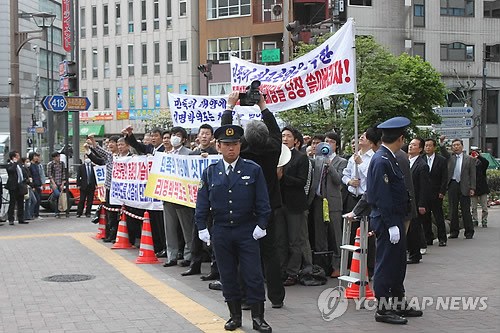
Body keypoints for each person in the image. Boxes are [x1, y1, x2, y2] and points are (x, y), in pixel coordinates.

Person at [195, 124, 272, 332]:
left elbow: (263, 201)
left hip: (247, 229)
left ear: (240, 145)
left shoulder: (252, 169)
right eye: (227, 145)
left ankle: (258, 318)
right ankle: (234, 316)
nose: (231, 149)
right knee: (227, 275)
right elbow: (202, 202)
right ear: (218, 146)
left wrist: (262, 224)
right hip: (221, 230)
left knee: (253, 274)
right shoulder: (210, 172)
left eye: (235, 144)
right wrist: (202, 226)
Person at [221, 91, 285, 309]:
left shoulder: (243, 151)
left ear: (243, 140)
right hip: (271, 208)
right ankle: (277, 297)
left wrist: (230, 106)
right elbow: (275, 130)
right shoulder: (275, 147)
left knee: (247, 254)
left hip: (248, 211)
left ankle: (248, 298)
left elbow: (226, 136)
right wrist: (263, 105)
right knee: (271, 253)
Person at [366, 117, 422, 325]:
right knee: (386, 264)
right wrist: (390, 224)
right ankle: (382, 308)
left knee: (397, 264)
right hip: (387, 218)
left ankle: (398, 302)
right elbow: (381, 196)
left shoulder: (389, 157)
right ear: (400, 138)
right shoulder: (382, 160)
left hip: (395, 217)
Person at [276, 126, 312, 286]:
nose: (285, 139)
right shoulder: (277, 155)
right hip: (279, 203)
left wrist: (284, 177)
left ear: (296, 141)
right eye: (283, 136)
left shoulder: (301, 158)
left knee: (294, 241)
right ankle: (281, 270)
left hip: (295, 205)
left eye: (288, 136)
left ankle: (293, 272)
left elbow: (301, 182)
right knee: (280, 239)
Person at [182, 124, 219, 277]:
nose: (204, 136)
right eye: (202, 133)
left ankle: (214, 268)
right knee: (195, 234)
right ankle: (194, 264)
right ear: (198, 136)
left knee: (213, 235)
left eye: (207, 133)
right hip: (196, 200)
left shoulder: (216, 153)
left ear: (212, 137)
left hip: (213, 201)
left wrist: (209, 157)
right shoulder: (192, 154)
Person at [310, 131, 347, 278]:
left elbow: (339, 181)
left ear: (336, 145)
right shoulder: (316, 160)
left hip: (333, 202)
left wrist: (329, 166)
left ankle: (337, 265)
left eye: (331, 142)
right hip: (319, 200)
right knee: (320, 235)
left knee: (335, 234)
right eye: (325, 141)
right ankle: (321, 266)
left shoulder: (341, 161)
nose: (327, 144)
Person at [160, 126, 194, 267]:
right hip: (169, 195)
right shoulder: (165, 154)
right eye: (173, 134)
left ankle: (189, 255)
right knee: (170, 227)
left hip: (183, 196)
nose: (174, 137)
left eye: (178, 135)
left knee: (187, 228)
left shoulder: (190, 154)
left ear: (184, 139)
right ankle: (171, 255)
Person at [439, 136, 476, 239]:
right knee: (453, 209)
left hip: (465, 186)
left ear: (462, 146)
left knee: (466, 210)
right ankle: (454, 232)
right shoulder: (450, 157)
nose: (456, 147)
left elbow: (473, 175)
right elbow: (443, 151)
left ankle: (469, 231)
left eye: (458, 145)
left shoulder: (470, 159)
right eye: (454, 145)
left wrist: (472, 188)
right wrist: (441, 143)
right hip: (453, 184)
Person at [406, 138, 431, 264]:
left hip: (416, 202)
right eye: (410, 144)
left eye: (414, 145)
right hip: (407, 202)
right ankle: (411, 251)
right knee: (409, 229)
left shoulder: (422, 165)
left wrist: (421, 204)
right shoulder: (407, 161)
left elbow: (424, 187)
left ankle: (415, 255)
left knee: (414, 229)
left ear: (420, 149)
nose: (411, 147)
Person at [422, 138, 448, 246]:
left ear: (434, 147)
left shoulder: (441, 160)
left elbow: (444, 177)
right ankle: (428, 238)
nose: (427, 148)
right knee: (425, 217)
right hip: (424, 194)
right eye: (426, 146)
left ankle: (442, 238)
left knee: (438, 216)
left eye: (429, 145)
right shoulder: (421, 159)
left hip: (436, 192)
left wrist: (442, 191)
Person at [5, 151, 28, 225]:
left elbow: (24, 172)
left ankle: (21, 218)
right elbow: (11, 170)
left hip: (20, 185)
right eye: (17, 156)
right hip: (13, 186)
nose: (19, 157)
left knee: (21, 202)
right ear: (13, 157)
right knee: (12, 202)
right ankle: (10, 219)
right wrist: (14, 163)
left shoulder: (19, 164)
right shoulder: (9, 164)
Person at [470, 147, 489, 228]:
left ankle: (484, 220)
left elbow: (486, 163)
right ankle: (475, 220)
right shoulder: (470, 163)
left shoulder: (482, 163)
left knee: (484, 207)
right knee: (473, 207)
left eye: (475, 153)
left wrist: (479, 157)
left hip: (483, 187)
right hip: (473, 187)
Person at [47, 151, 67, 218]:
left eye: (59, 156)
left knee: (59, 197)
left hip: (60, 182)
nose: (58, 158)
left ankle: (57, 212)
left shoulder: (62, 164)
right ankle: (51, 199)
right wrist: (53, 183)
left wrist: (63, 183)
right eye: (57, 156)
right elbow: (49, 175)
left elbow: (64, 173)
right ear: (54, 157)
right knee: (57, 194)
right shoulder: (50, 164)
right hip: (54, 183)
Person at [28, 152, 44, 220]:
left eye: (37, 156)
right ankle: (33, 214)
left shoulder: (36, 165)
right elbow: (31, 176)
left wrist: (41, 184)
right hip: (34, 185)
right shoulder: (30, 166)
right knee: (35, 200)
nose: (36, 158)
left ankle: (36, 214)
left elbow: (39, 176)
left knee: (38, 200)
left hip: (38, 184)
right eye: (35, 156)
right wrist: (33, 186)